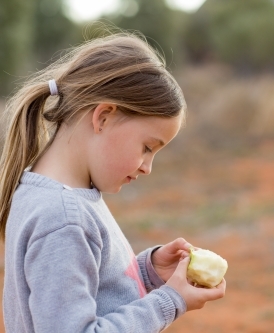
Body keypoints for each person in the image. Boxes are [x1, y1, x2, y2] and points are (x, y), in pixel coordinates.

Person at [0, 32, 226, 332]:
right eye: (147, 147)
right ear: (103, 117)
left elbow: (98, 291)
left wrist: (149, 271)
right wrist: (169, 301)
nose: (148, 167)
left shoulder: (61, 196)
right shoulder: (64, 219)